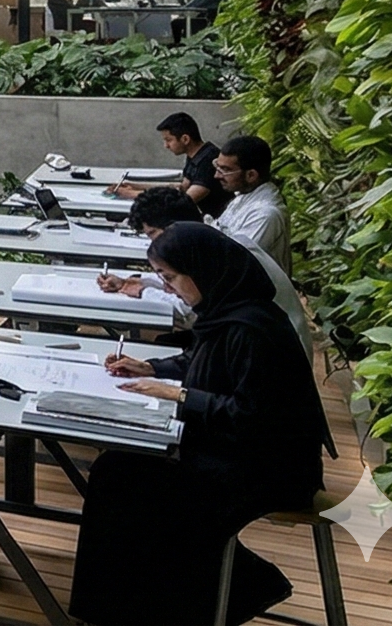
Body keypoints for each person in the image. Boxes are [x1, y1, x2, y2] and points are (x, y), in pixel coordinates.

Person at [71, 222, 328, 626]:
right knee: (115, 469)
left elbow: (251, 416)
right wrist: (151, 366)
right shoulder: (228, 310)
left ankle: (238, 587)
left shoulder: (253, 329)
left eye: (171, 278)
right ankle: (109, 609)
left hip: (267, 469)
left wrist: (180, 396)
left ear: (203, 269)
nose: (168, 288)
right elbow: (202, 362)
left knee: (131, 485)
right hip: (233, 450)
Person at [100, 187, 308, 352]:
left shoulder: (219, 257)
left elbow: (191, 313)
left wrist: (144, 290)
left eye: (152, 234)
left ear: (174, 227)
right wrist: (139, 282)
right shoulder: (213, 242)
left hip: (270, 355)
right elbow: (185, 285)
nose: (153, 243)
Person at [109, 110, 226, 217]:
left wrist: (131, 194)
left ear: (185, 139)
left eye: (169, 140)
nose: (166, 146)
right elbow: (180, 188)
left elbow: (185, 200)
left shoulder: (208, 160)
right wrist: (134, 186)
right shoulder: (196, 155)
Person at [211, 135, 288, 269]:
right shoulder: (243, 195)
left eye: (225, 170)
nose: (217, 176)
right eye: (218, 168)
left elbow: (235, 261)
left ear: (251, 175)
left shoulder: (265, 214)